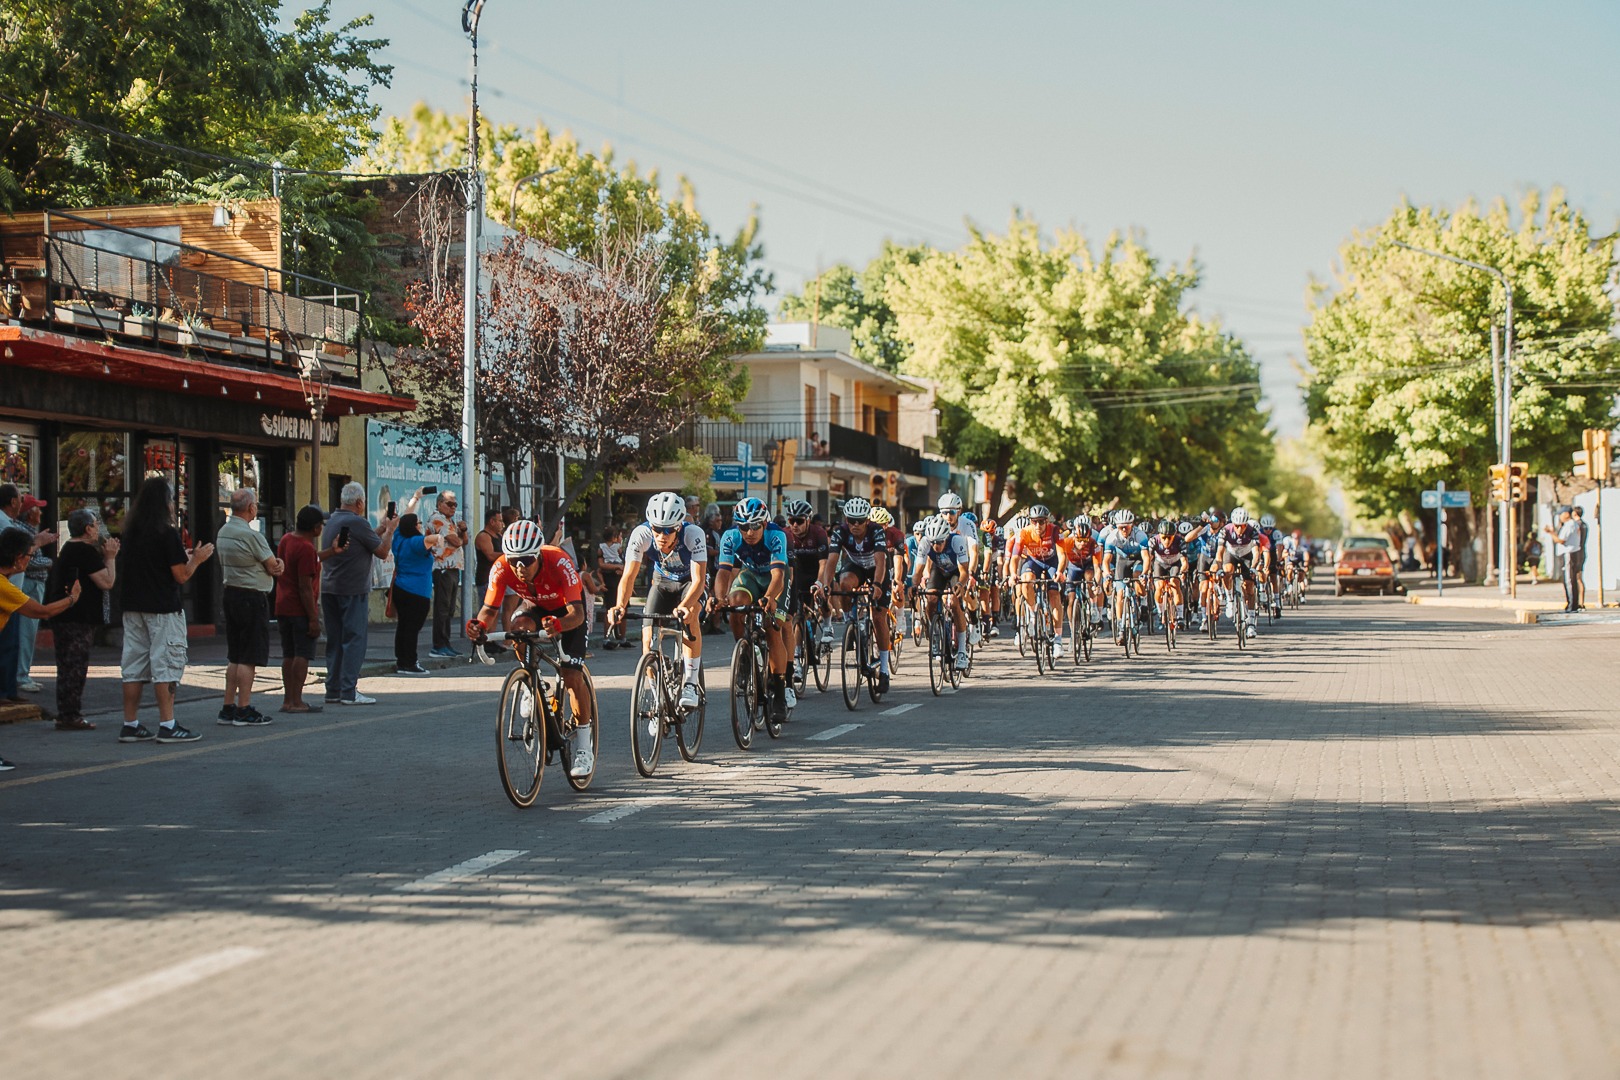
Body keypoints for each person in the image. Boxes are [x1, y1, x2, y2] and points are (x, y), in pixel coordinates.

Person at [467, 520, 596, 778]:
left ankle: (584, 746)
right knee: (519, 626)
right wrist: (479, 626)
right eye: (514, 560)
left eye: (526, 561)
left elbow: (578, 614)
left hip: (568, 611)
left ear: (538, 554)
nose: (519, 567)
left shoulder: (559, 561)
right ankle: (531, 682)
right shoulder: (502, 567)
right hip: (536, 607)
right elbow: (490, 609)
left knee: (571, 676)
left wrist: (559, 624)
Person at [116, 476, 214, 744]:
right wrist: (197, 558)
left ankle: (130, 723)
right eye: (171, 499)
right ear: (165, 503)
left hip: (133, 605)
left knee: (133, 665)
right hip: (162, 607)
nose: (173, 504)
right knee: (166, 664)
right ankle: (168, 723)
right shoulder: (166, 532)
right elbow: (181, 574)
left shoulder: (131, 532)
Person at [608, 492, 707, 711]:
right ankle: (657, 698)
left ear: (679, 527)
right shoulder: (640, 534)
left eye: (669, 530)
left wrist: (684, 605)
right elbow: (629, 576)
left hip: (689, 582)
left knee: (690, 617)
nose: (662, 535)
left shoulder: (693, 534)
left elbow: (699, 580)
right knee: (647, 642)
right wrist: (619, 606)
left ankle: (690, 682)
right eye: (657, 529)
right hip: (662, 582)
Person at [0, 526, 82, 768]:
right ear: (17, 558)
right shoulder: (5, 588)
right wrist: (72, 599)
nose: (30, 559)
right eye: (29, 555)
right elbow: (41, 611)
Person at [712, 496, 793, 722]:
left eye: (755, 526)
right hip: (750, 576)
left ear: (764, 523)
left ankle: (779, 690)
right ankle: (745, 654)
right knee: (735, 604)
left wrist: (769, 598)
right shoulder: (730, 537)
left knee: (772, 625)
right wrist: (719, 599)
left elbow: (778, 575)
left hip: (775, 579)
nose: (749, 532)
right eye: (744, 526)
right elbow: (724, 572)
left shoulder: (776, 535)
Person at [321, 481, 398, 705]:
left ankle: (333, 689)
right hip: (352, 589)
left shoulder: (334, 519)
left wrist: (381, 530)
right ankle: (348, 690)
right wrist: (390, 531)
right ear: (360, 503)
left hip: (330, 588)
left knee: (334, 640)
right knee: (354, 639)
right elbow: (382, 552)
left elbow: (362, 542)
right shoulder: (357, 522)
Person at [215, 487, 284, 727]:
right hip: (252, 597)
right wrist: (279, 565)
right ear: (251, 508)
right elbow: (272, 565)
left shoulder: (223, 531)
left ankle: (228, 706)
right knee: (249, 656)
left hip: (231, 593)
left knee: (234, 654)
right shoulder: (251, 535)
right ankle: (243, 707)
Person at [48, 509, 116, 731]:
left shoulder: (68, 548)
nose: (97, 529)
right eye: (95, 525)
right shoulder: (84, 551)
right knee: (75, 665)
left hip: (65, 615)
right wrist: (110, 558)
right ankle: (70, 714)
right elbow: (106, 582)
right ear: (87, 528)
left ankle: (66, 712)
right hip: (77, 617)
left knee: (66, 664)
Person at [0, 484, 56, 704]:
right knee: (11, 640)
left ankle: (10, 689)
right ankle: (7, 689)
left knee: (14, 641)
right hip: (10, 588)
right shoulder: (6, 526)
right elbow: (41, 611)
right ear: (14, 502)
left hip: (15, 587)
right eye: (21, 500)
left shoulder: (11, 525)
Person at [275, 505, 326, 713]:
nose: (322, 528)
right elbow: (305, 587)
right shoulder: (306, 548)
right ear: (315, 528)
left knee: (288, 653)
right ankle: (297, 700)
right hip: (300, 608)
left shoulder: (287, 539)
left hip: (283, 604)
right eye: (321, 524)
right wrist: (313, 619)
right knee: (302, 654)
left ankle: (288, 700)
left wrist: (331, 551)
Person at [391, 509, 442, 674]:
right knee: (412, 628)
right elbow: (430, 539)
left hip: (401, 588)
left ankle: (401, 661)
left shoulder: (398, 539)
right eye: (418, 523)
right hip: (417, 592)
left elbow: (403, 520)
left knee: (403, 626)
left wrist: (416, 498)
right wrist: (439, 538)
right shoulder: (415, 542)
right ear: (413, 526)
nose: (420, 525)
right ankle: (410, 663)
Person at [16, 494, 54, 692]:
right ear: (29, 514)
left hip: (33, 584)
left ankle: (23, 673)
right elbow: (27, 561)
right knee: (26, 631)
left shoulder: (28, 531)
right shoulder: (24, 533)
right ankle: (21, 675)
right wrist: (48, 561)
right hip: (30, 584)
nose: (40, 512)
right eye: (37, 508)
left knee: (28, 631)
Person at [426, 489, 469, 657]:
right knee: (442, 608)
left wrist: (463, 530)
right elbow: (456, 541)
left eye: (455, 505)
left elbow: (464, 540)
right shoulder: (437, 519)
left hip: (453, 567)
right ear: (439, 504)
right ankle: (438, 644)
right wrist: (460, 533)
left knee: (450, 608)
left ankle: (446, 643)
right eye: (449, 504)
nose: (453, 507)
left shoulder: (450, 521)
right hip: (443, 568)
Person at [1544, 508, 1583, 613]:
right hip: (1570, 554)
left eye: (1561, 514)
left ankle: (1572, 604)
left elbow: (1561, 540)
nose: (1560, 517)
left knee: (1569, 580)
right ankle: (1571, 604)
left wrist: (1551, 533)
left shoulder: (1570, 525)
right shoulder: (1571, 525)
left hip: (1569, 554)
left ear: (1566, 514)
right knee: (1570, 579)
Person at [597, 526, 625, 648]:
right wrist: (618, 567)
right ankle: (613, 637)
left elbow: (601, 565)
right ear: (615, 537)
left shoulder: (601, 547)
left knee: (612, 607)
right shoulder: (618, 547)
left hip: (610, 576)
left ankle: (614, 636)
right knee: (612, 607)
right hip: (614, 576)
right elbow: (621, 558)